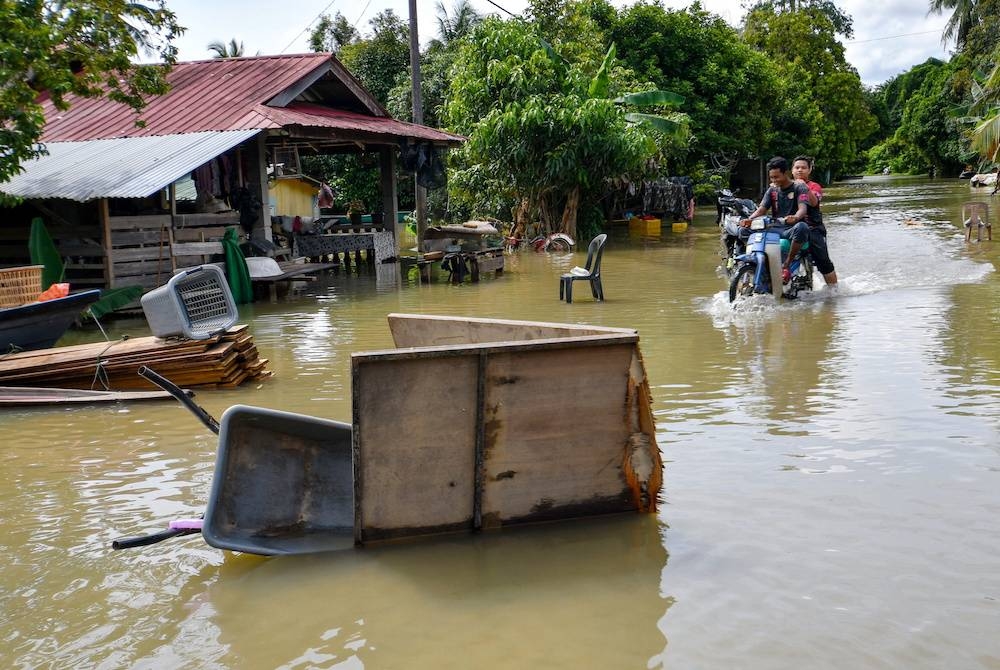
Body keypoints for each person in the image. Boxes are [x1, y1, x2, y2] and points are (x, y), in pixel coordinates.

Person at [740, 156, 810, 283]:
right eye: (771, 177)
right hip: (775, 227)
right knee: (743, 231)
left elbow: (802, 209)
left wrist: (795, 217)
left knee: (802, 227)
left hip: (791, 229)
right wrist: (749, 220)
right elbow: (761, 209)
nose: (774, 180)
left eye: (776, 177)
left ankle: (787, 263)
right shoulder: (772, 190)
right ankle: (755, 262)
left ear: (785, 173)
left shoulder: (799, 188)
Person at [791, 156, 837, 286]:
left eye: (803, 168)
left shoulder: (814, 186)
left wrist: (803, 186)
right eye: (797, 167)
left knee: (823, 261)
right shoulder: (785, 186)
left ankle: (834, 290)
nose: (800, 170)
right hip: (791, 227)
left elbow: (814, 202)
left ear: (809, 170)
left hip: (812, 228)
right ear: (792, 170)